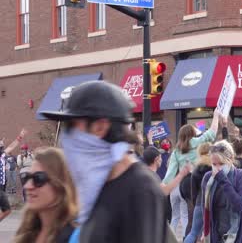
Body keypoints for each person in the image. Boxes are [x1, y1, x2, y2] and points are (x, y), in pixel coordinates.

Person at [40, 81, 169, 242]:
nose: (66, 137)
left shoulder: (140, 188)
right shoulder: (95, 185)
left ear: (100, 127)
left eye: (72, 126)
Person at [163, 112, 220, 236]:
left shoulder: (176, 151)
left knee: (189, 216)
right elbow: (212, 132)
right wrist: (216, 115)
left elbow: (169, 174)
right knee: (200, 213)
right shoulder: (197, 141)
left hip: (184, 184)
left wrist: (163, 188)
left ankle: (188, 237)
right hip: (198, 180)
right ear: (192, 134)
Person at [14, 147, 78, 243]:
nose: (27, 186)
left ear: (60, 185)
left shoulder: (77, 237)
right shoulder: (26, 232)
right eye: (27, 178)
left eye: (38, 178)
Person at [201, 140, 242, 242]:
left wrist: (223, 180)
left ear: (231, 159)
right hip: (217, 234)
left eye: (221, 164)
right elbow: (205, 209)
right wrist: (205, 231)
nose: (217, 168)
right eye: (214, 164)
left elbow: (240, 205)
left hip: (241, 234)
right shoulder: (208, 178)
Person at [184, 143, 212, 243]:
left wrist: (196, 203)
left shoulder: (196, 169)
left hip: (200, 202)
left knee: (194, 232)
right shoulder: (215, 166)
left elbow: (194, 191)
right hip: (214, 203)